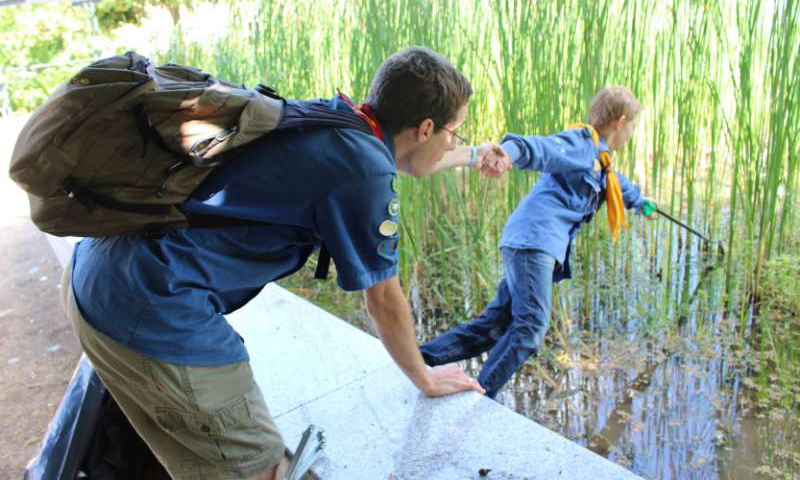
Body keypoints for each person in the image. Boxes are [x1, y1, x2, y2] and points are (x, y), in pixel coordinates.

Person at [60, 46, 502, 480]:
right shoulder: (366, 172)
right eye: (455, 134)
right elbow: (383, 300)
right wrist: (423, 376)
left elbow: (407, 159)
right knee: (262, 469)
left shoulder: (337, 121)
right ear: (426, 128)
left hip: (99, 270)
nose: (453, 142)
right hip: (153, 305)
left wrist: (473, 153)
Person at [420, 86, 656, 399]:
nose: (632, 132)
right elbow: (539, 148)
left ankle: (419, 359)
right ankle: (479, 396)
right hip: (534, 243)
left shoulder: (601, 161)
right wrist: (507, 153)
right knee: (531, 326)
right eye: (633, 125)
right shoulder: (580, 143)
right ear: (620, 121)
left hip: (529, 243)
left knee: (494, 325)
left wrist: (641, 203)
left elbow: (617, 184)